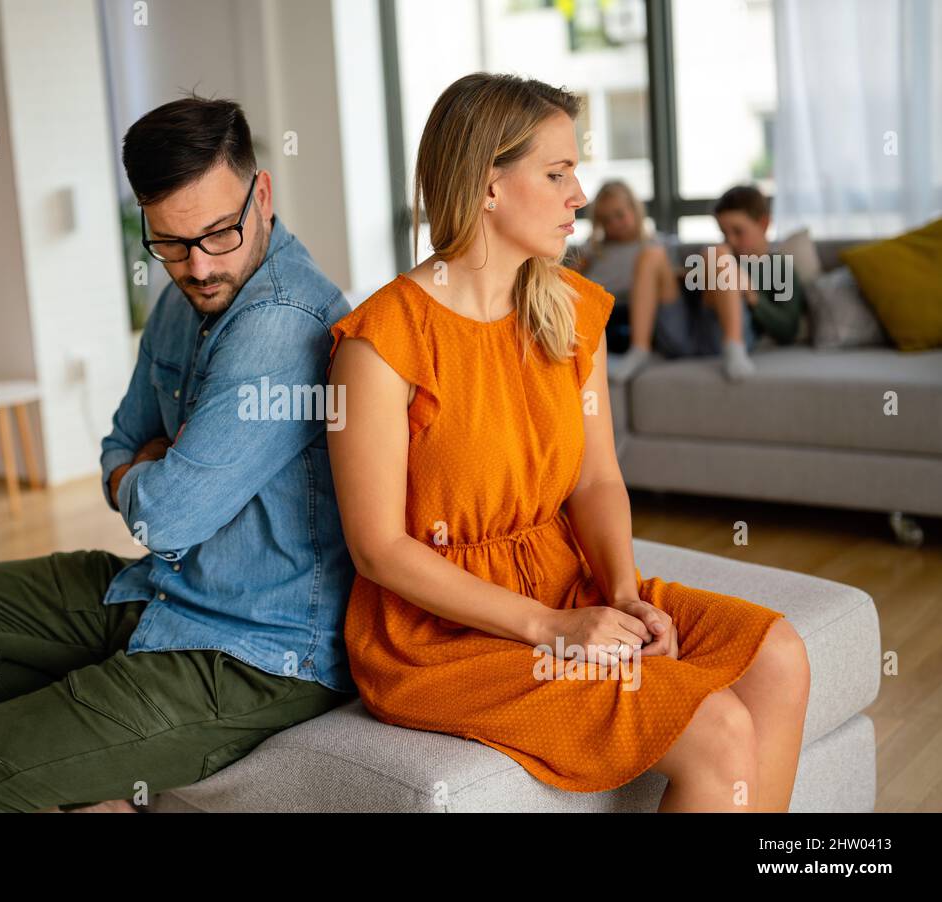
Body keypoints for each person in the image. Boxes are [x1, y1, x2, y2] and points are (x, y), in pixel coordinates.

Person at [326, 73, 811, 812]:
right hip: (441, 635)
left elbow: (595, 482)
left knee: (780, 656)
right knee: (714, 729)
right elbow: (377, 549)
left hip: (564, 581)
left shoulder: (567, 312)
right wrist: (554, 628)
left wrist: (621, 594)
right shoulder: (380, 345)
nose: (578, 195)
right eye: (556, 174)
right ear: (487, 185)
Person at [0, 95, 357, 813]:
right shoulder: (184, 298)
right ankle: (93, 782)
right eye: (171, 242)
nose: (198, 267)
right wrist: (147, 468)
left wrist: (146, 476)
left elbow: (164, 518)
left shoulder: (282, 326)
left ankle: (68, 766)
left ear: (261, 194)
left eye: (218, 234)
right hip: (170, 593)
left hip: (258, 653)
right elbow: (117, 442)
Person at [615, 184, 807, 383]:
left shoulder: (778, 266)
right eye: (724, 232)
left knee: (717, 254)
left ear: (764, 224)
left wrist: (752, 296)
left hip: (721, 338)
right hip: (683, 333)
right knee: (651, 255)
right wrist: (687, 279)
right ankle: (639, 350)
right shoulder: (718, 253)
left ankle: (734, 346)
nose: (730, 240)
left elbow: (789, 329)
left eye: (738, 231)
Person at [568, 180, 674, 354]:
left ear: (634, 210)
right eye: (606, 220)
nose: (614, 224)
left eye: (619, 215)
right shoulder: (593, 249)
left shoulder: (654, 245)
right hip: (595, 311)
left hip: (630, 310)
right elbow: (570, 277)